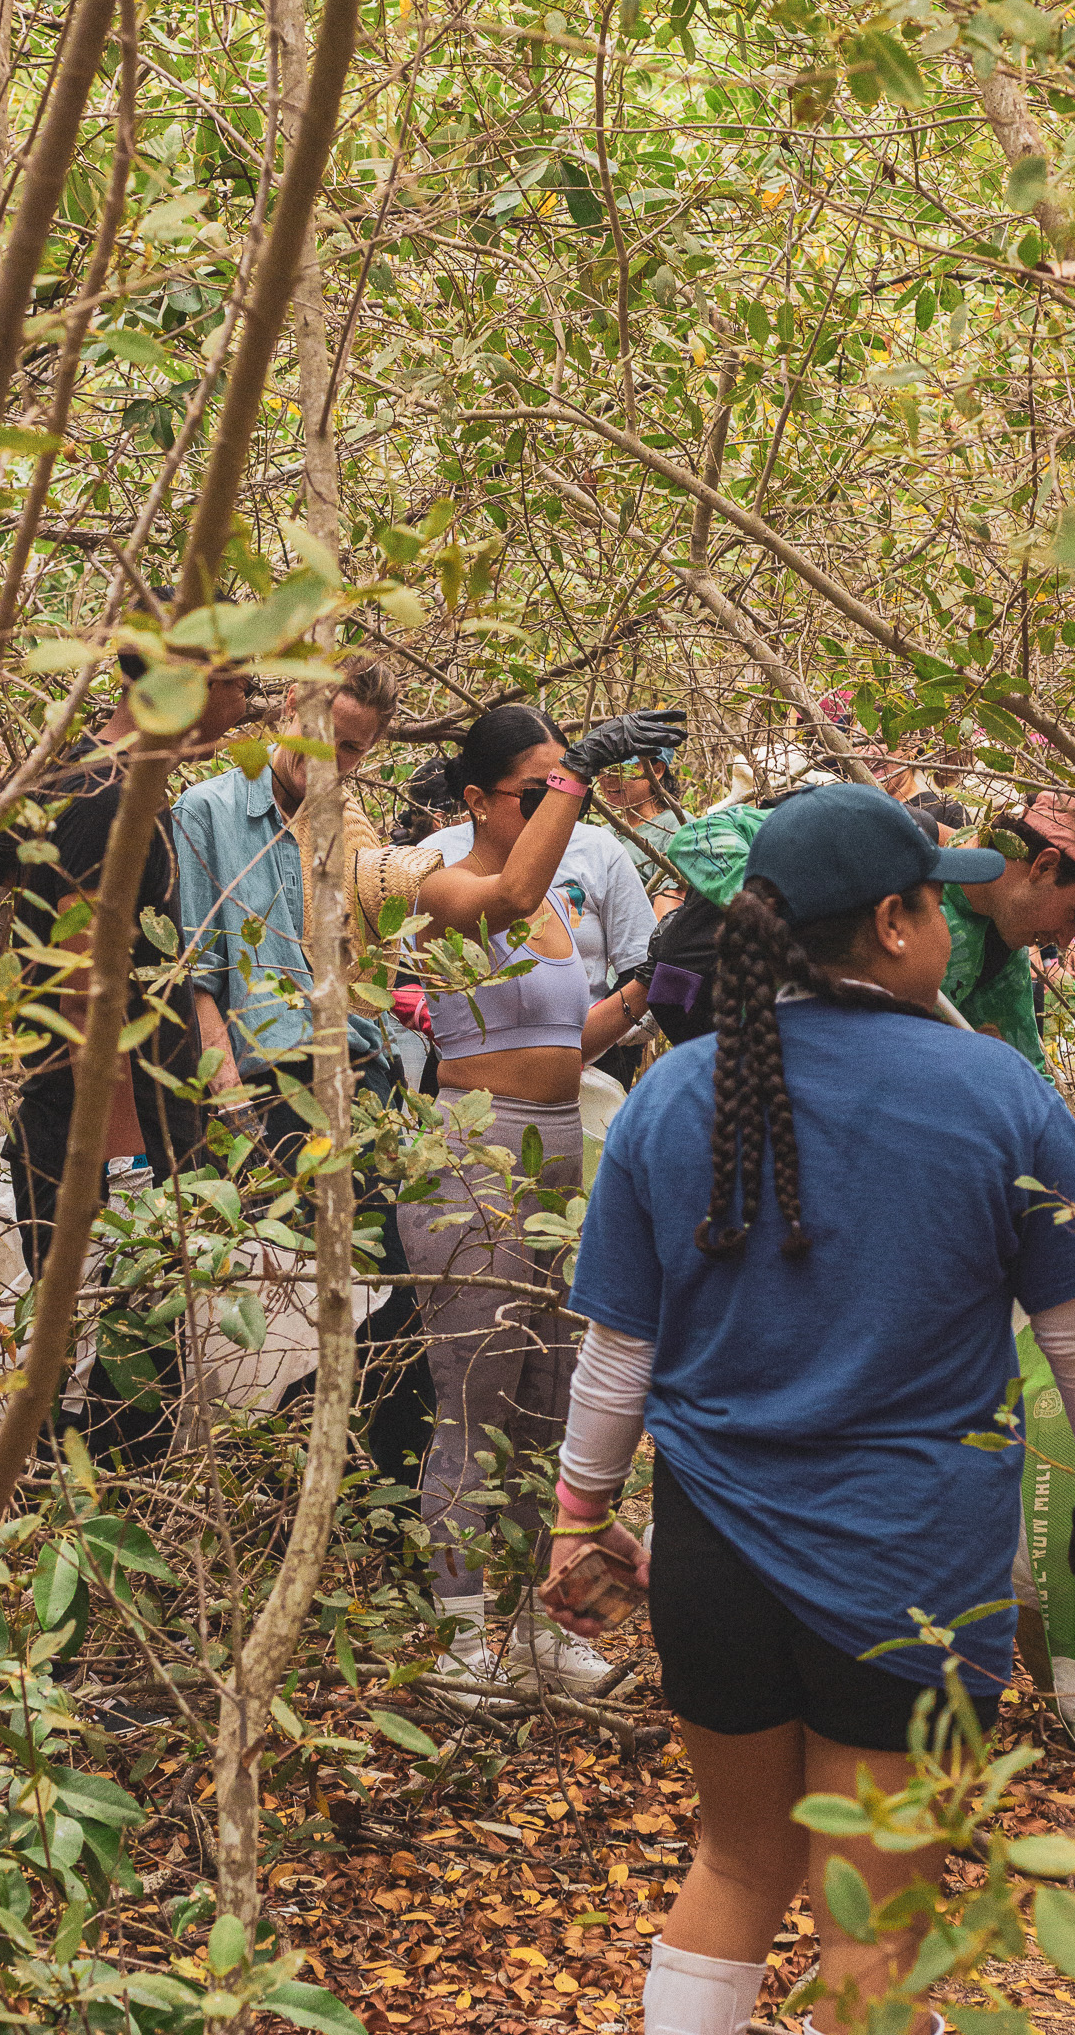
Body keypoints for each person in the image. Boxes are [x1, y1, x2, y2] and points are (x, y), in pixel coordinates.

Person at [545, 785, 1075, 2035]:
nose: (948, 919)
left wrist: (577, 1516)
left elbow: (618, 1350)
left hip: (713, 1561)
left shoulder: (674, 1096)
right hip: (913, 1564)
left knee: (733, 1865)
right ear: (893, 922)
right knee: (873, 1934)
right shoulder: (994, 1093)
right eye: (937, 897)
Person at [397, 701, 685, 1694]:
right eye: (539, 786)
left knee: (547, 1400)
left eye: (568, 781)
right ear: (476, 798)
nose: (561, 800)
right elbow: (510, 895)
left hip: (559, 1153)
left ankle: (538, 1624)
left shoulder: (559, 900)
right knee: (473, 1398)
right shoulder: (446, 878)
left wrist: (653, 984)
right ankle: (462, 1639)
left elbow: (566, 1047)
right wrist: (580, 780)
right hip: (471, 1154)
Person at [173, 654, 434, 1487]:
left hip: (363, 1081)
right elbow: (198, 982)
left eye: (352, 750)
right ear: (291, 706)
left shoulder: (344, 828)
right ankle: (280, 1501)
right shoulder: (207, 811)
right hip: (268, 1095)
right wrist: (234, 1115)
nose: (330, 759)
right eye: (322, 735)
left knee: (397, 1302)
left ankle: (379, 1506)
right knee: (283, 1307)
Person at [0, 641, 258, 1280]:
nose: (247, 701)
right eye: (239, 682)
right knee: (120, 1366)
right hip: (108, 1146)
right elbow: (87, 993)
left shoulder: (101, 779)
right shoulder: (105, 798)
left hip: (137, 1129)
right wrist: (125, 1167)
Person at [436, 783, 660, 1091]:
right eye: (536, 795)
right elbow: (405, 969)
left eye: (571, 794)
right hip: (468, 1080)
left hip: (588, 1074)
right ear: (478, 799)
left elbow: (638, 963)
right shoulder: (437, 856)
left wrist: (588, 1043)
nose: (557, 805)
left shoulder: (597, 848)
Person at [940, 791, 1075, 1078]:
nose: (1065, 941)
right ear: (1044, 866)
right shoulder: (908, 883)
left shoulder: (1001, 946)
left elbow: (1029, 1074)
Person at [598, 744, 685, 913]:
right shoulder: (603, 834)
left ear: (656, 770)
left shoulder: (676, 828)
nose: (608, 777)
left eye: (622, 769)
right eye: (603, 768)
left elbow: (668, 911)